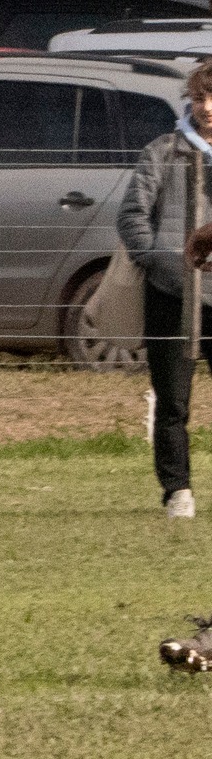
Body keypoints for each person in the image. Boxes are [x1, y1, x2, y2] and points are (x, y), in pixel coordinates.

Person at [121, 59, 212, 519]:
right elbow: (132, 216)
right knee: (173, 400)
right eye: (199, 98)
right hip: (171, 293)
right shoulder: (162, 151)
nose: (207, 108)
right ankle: (177, 489)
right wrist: (160, 260)